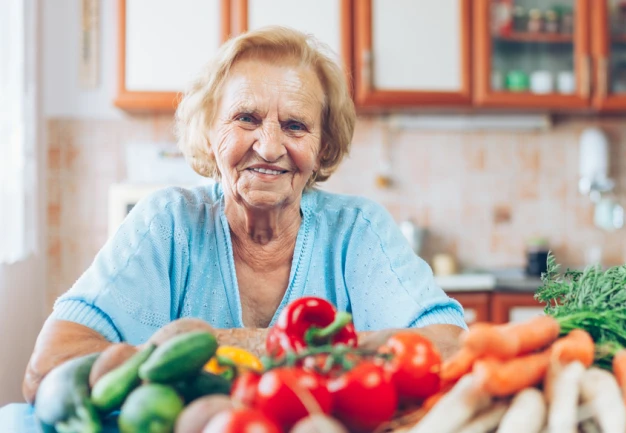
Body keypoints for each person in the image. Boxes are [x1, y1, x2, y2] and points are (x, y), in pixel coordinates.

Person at [22, 27, 466, 402]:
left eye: (295, 125)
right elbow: (48, 368)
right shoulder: (167, 223)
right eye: (247, 118)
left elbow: (452, 350)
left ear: (323, 147)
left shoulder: (357, 231)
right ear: (208, 133)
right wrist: (248, 347)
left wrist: (217, 352)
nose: (269, 147)